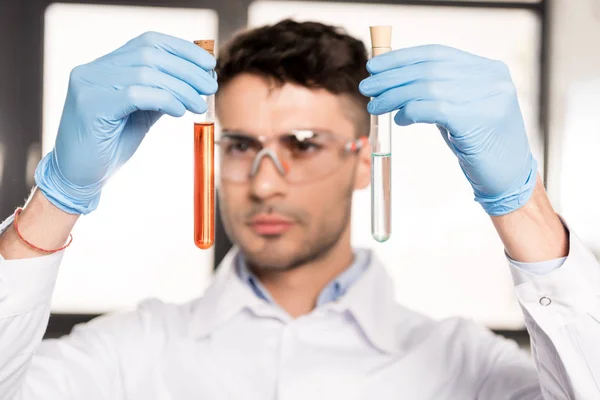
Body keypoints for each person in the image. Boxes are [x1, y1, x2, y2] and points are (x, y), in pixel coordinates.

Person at [0, 19, 597, 400]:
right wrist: (55, 199)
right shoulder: (125, 355)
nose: (264, 185)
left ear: (366, 159)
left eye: (302, 144)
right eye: (240, 145)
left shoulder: (467, 365)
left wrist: (524, 206)